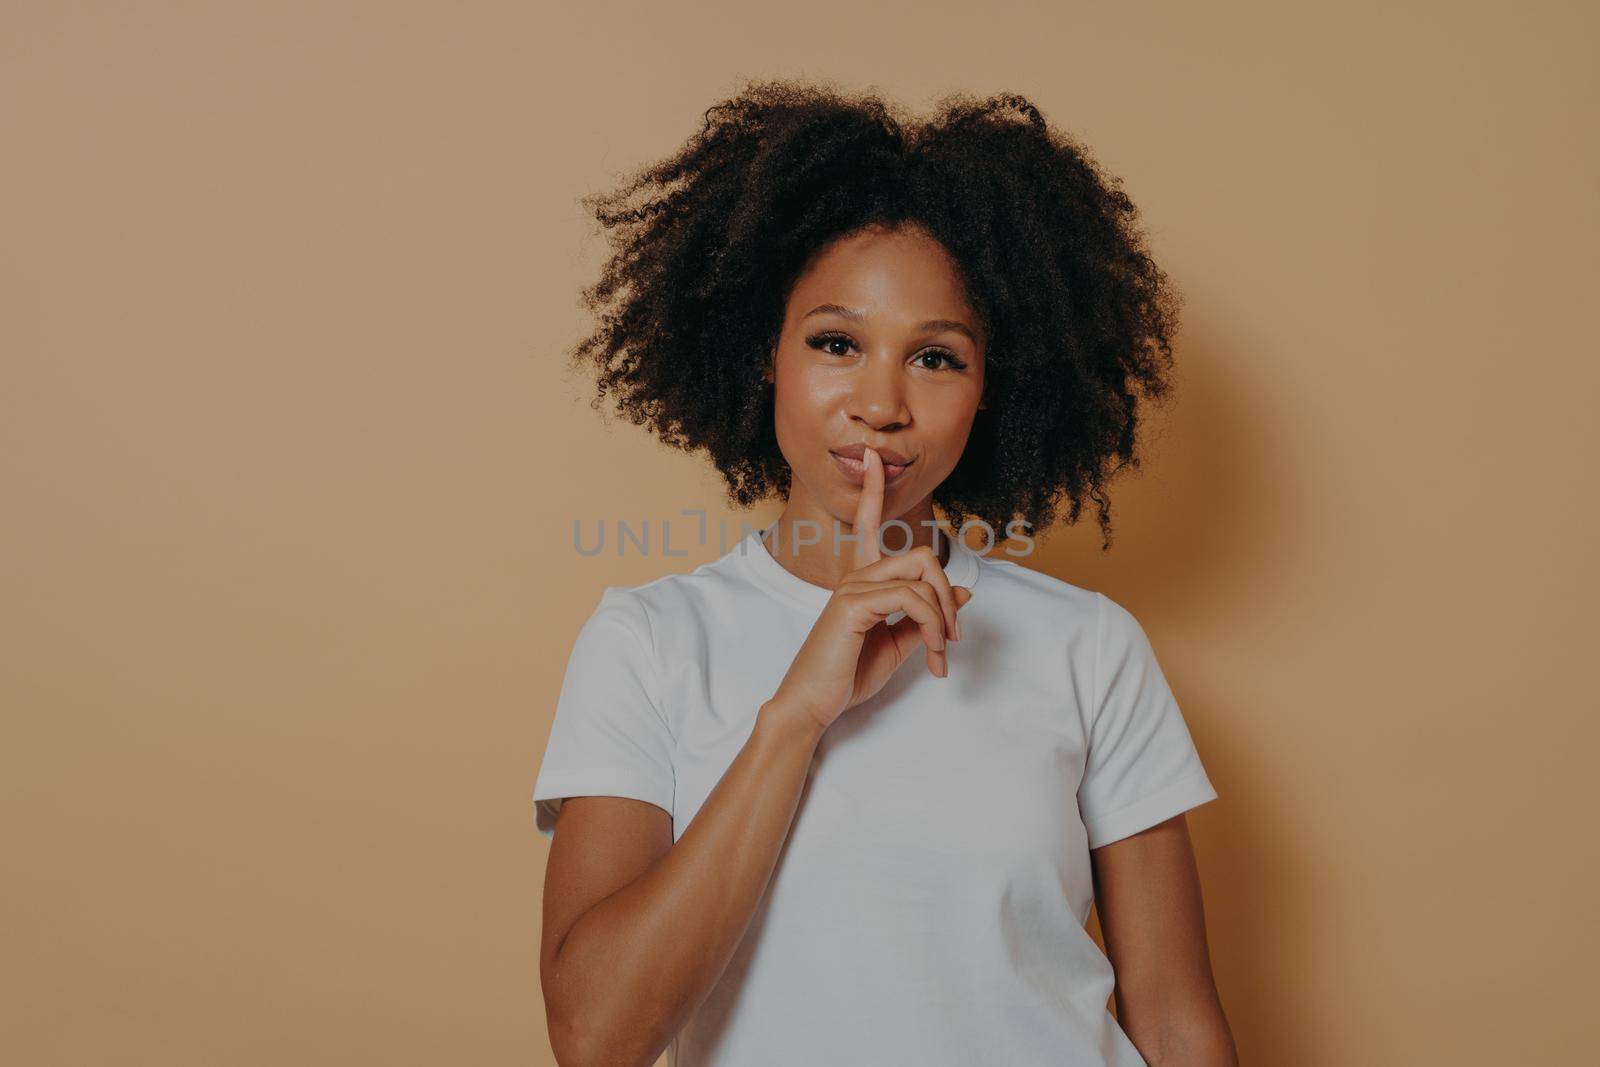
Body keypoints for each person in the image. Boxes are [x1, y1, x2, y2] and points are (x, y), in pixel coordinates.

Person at [532, 78, 1238, 1066]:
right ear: (763, 354)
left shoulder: (1087, 644)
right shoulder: (649, 640)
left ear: (994, 387)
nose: (880, 401)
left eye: (937, 358)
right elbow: (596, 1034)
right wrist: (796, 714)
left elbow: (1173, 1022)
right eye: (834, 343)